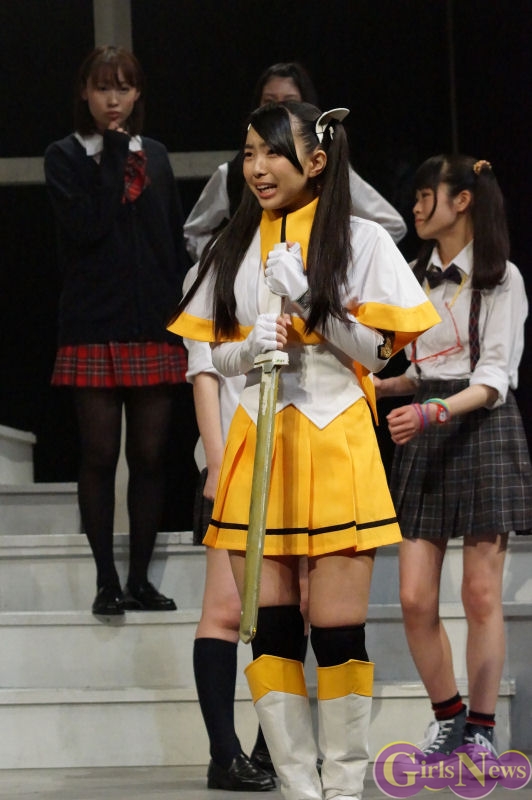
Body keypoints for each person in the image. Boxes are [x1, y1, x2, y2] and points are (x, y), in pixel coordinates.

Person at [169, 100, 439, 799]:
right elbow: (214, 354)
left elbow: (382, 356)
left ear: (316, 161)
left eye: (272, 153)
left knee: (338, 633)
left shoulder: (361, 240)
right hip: (259, 448)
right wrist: (247, 350)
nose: (257, 168)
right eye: (248, 153)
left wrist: (313, 304)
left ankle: (343, 788)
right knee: (271, 633)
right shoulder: (231, 245)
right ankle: (296, 787)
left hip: (336, 438)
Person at [374, 154, 532, 760]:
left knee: (480, 594)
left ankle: (483, 731)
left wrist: (432, 412)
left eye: (425, 196)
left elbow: (493, 378)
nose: (416, 207)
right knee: (414, 596)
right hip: (428, 427)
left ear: (461, 201)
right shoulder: (414, 276)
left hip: (481, 427)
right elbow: (419, 369)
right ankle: (449, 715)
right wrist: (379, 387)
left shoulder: (501, 277)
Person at [44, 46, 188, 617]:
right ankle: (106, 581)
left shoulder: (156, 155)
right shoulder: (64, 156)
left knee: (150, 456)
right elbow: (86, 228)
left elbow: (168, 239)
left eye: (124, 88)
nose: (113, 99)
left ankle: (140, 580)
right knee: (100, 455)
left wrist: (181, 319)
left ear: (138, 94)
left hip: (152, 324)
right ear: (84, 91)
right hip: (92, 324)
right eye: (103, 87)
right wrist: (113, 156)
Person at [183, 61, 407, 264]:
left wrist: (339, 263)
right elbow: (195, 233)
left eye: (289, 102)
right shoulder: (232, 174)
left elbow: (390, 225)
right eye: (269, 102)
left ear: (316, 164)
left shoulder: (332, 172)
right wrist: (223, 266)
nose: (259, 170)